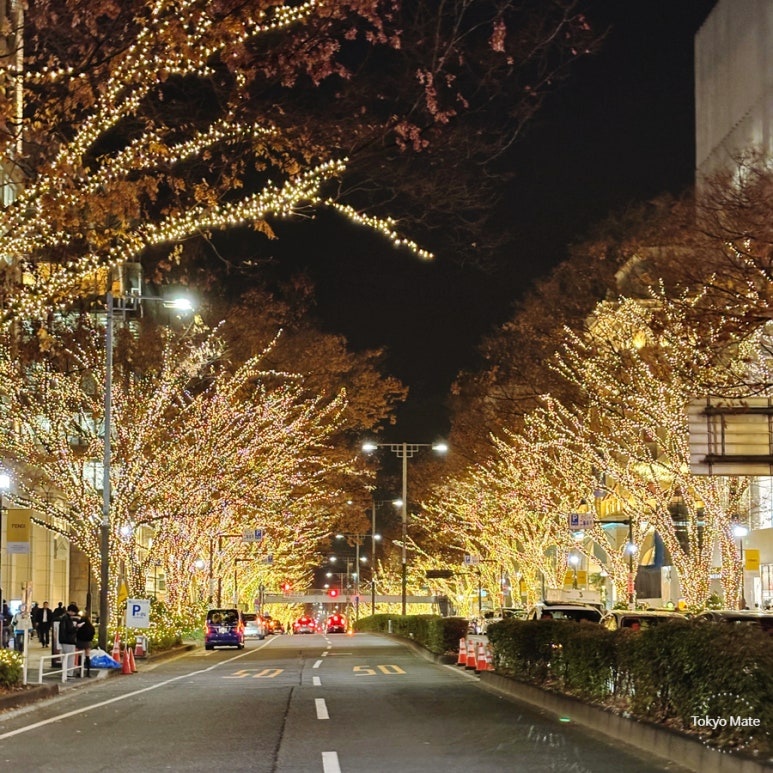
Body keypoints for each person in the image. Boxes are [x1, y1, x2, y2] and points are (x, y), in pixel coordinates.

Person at [58, 603, 79, 677]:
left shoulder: (63, 618)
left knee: (65, 657)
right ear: (70, 611)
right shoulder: (67, 619)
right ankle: (69, 673)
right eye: (74, 612)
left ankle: (65, 672)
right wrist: (76, 627)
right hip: (69, 641)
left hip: (63, 640)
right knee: (70, 658)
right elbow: (70, 630)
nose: (74, 614)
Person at [75, 613, 95, 677]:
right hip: (88, 642)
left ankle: (80, 671)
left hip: (80, 642)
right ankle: (88, 672)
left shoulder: (80, 626)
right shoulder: (91, 627)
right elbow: (93, 633)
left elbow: (77, 633)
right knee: (87, 656)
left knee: (80, 656)